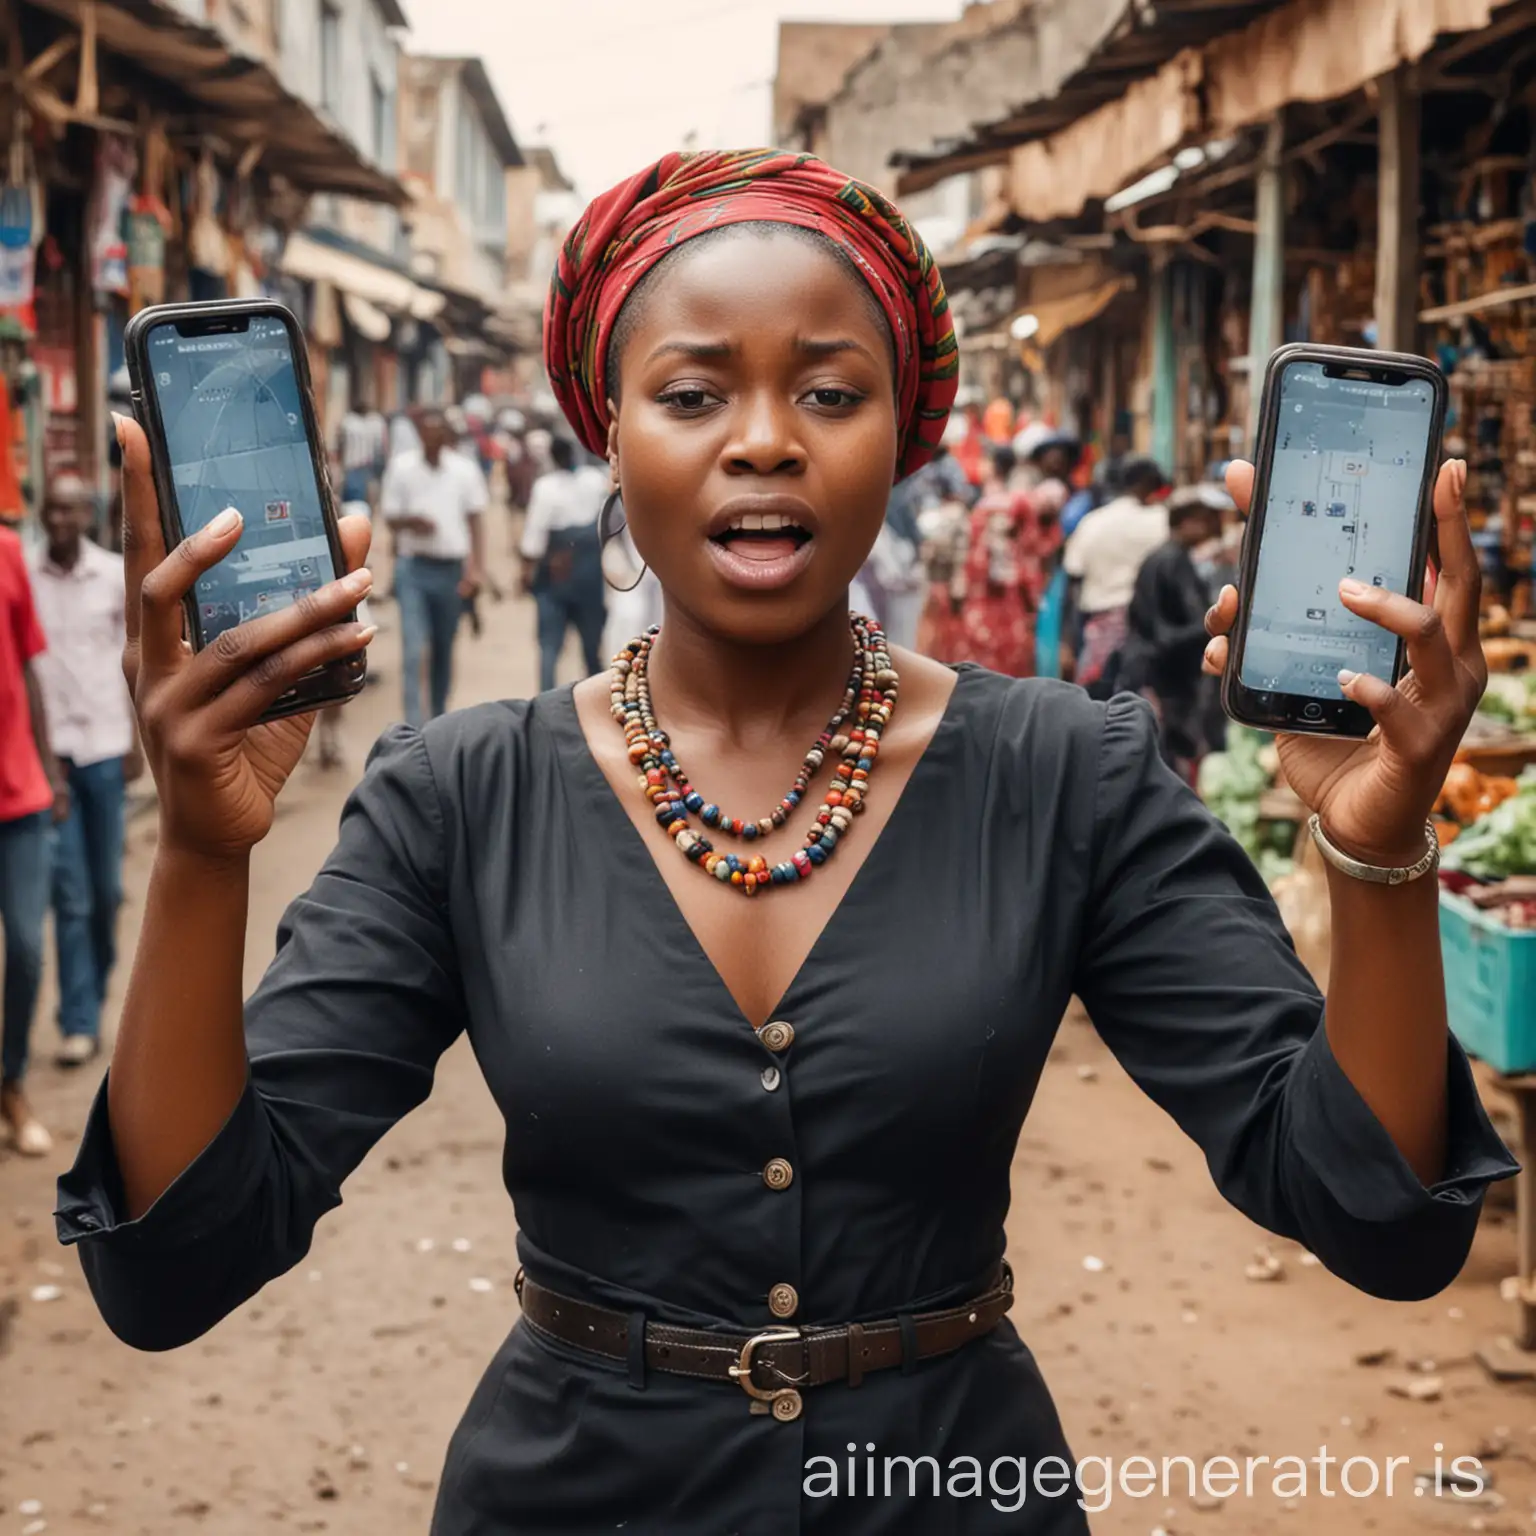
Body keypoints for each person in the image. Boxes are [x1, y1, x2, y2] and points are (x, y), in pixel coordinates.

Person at [60, 149, 1515, 1536]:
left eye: (830, 389)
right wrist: (198, 852)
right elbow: (176, 1270)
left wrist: (1380, 858)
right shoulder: (460, 797)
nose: (764, 438)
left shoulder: (1068, 773)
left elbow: (1379, 1219)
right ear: (609, 435)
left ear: (904, 435)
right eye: (694, 393)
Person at [28, 473, 142, 1067]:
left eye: (72, 509)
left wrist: (136, 743)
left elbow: (133, 662)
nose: (62, 519)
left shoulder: (110, 575)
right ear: (42, 514)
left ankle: (94, 990)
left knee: (107, 892)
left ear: (87, 514)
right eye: (53, 508)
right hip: (53, 758)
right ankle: (79, 1018)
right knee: (68, 896)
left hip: (106, 745)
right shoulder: (23, 575)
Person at [1, 517, 67, 1155]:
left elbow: (29, 664)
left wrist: (50, 770)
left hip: (17, 792)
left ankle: (11, 1082)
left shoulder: (8, 551)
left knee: (25, 947)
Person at [379, 406, 487, 727]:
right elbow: (390, 517)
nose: (433, 437)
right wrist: (411, 522)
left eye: (438, 431)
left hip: (450, 572)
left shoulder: (464, 470)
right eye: (426, 431)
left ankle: (438, 720)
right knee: (414, 650)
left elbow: (476, 521)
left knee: (443, 649)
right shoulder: (401, 469)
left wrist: (475, 570)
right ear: (419, 435)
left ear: (446, 436)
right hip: (413, 570)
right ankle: (413, 726)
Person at [1119, 486, 1226, 784]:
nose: (1213, 526)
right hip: (1165, 676)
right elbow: (1172, 631)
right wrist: (1221, 625)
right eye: (1205, 519)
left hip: (1160, 670)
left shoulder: (1168, 557)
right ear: (1186, 522)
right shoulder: (1171, 561)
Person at [1062, 455, 1171, 695]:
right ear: (1149, 485)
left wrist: (1067, 643)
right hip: (1146, 631)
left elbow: (1073, 581)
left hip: (1098, 629)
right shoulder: (1161, 522)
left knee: (1095, 706)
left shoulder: (1092, 522)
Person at [520, 435, 607, 692]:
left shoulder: (546, 487)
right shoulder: (594, 480)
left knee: (549, 645)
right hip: (589, 571)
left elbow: (533, 539)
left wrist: (525, 573)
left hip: (556, 571)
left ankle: (545, 703)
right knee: (591, 644)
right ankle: (602, 702)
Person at [958, 445, 1049, 677]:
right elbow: (1032, 547)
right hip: (1010, 591)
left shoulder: (988, 504)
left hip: (989, 591)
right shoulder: (1021, 501)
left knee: (985, 654)